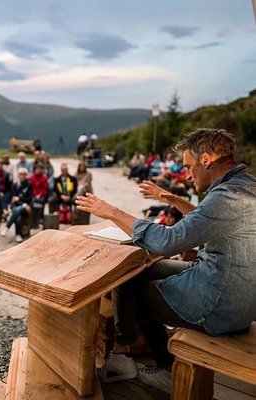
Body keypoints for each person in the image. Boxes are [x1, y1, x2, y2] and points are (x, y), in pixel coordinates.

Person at [76, 128, 256, 393]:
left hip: (222, 306)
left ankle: (164, 367)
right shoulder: (244, 186)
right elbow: (205, 224)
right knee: (135, 272)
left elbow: (166, 242)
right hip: (236, 292)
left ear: (206, 159)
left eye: (188, 166)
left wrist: (111, 212)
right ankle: (123, 354)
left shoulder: (225, 199)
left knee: (135, 289)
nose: (186, 173)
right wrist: (171, 199)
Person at [1, 167, 33, 243]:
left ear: (26, 175)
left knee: (18, 210)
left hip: (25, 207)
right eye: (21, 174)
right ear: (18, 175)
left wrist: (20, 200)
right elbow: (13, 198)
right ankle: (18, 235)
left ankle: (7, 227)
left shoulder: (29, 185)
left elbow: (29, 198)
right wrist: (21, 202)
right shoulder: (15, 185)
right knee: (17, 215)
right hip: (17, 206)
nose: (22, 176)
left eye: (24, 174)